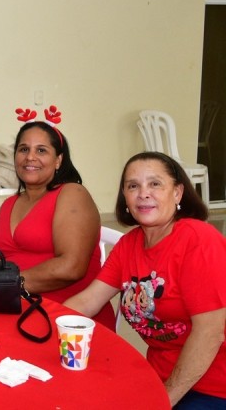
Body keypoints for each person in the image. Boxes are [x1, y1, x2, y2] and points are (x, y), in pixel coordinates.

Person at [65, 152, 226, 408]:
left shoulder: (198, 240)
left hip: (212, 385)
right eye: (133, 186)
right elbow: (87, 301)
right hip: (157, 375)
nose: (143, 194)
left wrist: (162, 401)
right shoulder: (129, 245)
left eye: (155, 184)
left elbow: (210, 334)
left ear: (177, 193)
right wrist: (39, 323)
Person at [0, 107, 115, 330]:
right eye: (23, 149)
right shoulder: (8, 204)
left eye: (41, 150)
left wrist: (5, 285)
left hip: (66, 321)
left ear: (58, 160)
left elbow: (71, 267)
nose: (30, 157)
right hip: (12, 311)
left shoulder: (72, 193)